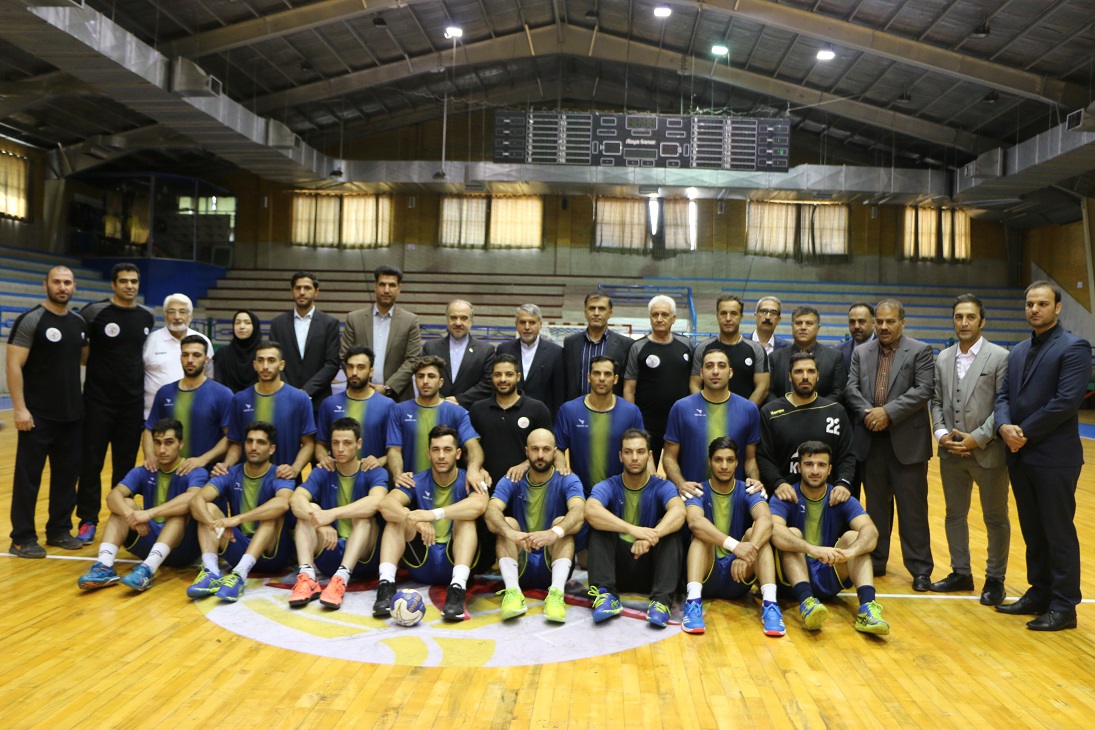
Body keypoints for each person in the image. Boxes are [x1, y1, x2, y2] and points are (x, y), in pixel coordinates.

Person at [994, 281, 1090, 631]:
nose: (1034, 309)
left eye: (1042, 304)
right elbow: (1003, 396)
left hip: (1054, 458)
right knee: (1033, 532)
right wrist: (1004, 426)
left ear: (1058, 307)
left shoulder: (1074, 347)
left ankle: (1064, 606)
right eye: (1030, 304)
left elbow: (1065, 402)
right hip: (1021, 456)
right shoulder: (1018, 350)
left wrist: (1021, 432)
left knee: (1058, 533)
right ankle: (1039, 592)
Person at [846, 299, 934, 590]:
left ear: (902, 323)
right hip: (871, 440)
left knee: (913, 510)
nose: (884, 326)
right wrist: (870, 414)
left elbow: (924, 389)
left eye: (890, 321)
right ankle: (877, 560)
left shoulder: (920, 350)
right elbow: (851, 388)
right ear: (874, 323)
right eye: (880, 321)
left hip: (907, 442)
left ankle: (920, 569)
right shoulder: (861, 352)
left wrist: (888, 413)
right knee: (876, 508)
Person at [928, 294, 1010, 605]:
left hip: (989, 452)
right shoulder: (943, 358)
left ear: (982, 321)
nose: (964, 322)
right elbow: (936, 401)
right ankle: (960, 572)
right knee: (954, 514)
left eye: (971, 317)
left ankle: (995, 579)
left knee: (995, 517)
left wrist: (976, 438)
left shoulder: (1000, 357)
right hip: (951, 452)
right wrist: (941, 435)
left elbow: (1003, 405)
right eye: (959, 317)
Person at [7, 265, 88, 558]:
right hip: (37, 416)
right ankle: (22, 538)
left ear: (74, 286)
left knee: (66, 478)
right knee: (28, 480)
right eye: (57, 282)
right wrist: (20, 409)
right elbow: (13, 364)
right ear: (46, 285)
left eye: (67, 282)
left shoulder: (79, 322)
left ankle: (59, 531)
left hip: (72, 416)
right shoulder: (31, 320)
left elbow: (82, 359)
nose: (62, 287)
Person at [769, 441, 889, 635]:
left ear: (830, 469)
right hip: (792, 579)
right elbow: (774, 531)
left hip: (829, 571)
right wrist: (813, 549)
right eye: (809, 464)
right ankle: (807, 602)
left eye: (821, 465)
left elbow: (871, 532)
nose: (815, 470)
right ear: (799, 467)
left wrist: (850, 553)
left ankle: (868, 609)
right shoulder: (786, 495)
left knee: (855, 537)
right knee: (792, 534)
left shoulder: (839, 497)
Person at [75, 263, 155, 544]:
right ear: (113, 284)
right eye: (123, 281)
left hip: (131, 405)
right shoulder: (94, 313)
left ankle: (120, 519)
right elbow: (82, 354)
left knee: (125, 468)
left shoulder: (147, 316)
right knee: (91, 463)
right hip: (97, 403)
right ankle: (87, 520)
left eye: (134, 281)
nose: (129, 286)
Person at [374, 425, 489, 622]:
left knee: (466, 520)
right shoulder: (416, 480)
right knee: (396, 519)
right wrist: (414, 520)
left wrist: (432, 515)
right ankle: (386, 585)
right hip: (422, 560)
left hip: (454, 560)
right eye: (436, 450)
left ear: (458, 454)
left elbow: (479, 505)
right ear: (428, 454)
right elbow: (385, 505)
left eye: (447, 450)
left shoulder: (470, 479)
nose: (441, 456)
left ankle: (457, 589)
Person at [77, 418, 205, 592]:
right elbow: (112, 496)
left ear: (181, 444)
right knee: (125, 503)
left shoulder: (195, 471)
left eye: (169, 443)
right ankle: (104, 566)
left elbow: (192, 499)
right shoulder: (144, 471)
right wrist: (130, 515)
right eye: (157, 443)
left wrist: (149, 514)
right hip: (149, 539)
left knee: (178, 514)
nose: (162, 449)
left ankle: (147, 570)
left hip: (183, 550)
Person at [682, 437, 784, 637]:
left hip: (739, 574)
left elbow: (766, 520)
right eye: (718, 460)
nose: (724, 466)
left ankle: (771, 605)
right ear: (710, 462)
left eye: (729, 460)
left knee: (757, 535)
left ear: (737, 463)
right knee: (701, 536)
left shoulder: (749, 489)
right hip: (707, 574)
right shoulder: (697, 491)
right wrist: (735, 546)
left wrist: (748, 552)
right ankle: (693, 603)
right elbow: (695, 522)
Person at [584, 429, 685, 628]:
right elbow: (591, 510)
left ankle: (661, 603)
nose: (635, 458)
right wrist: (633, 530)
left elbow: (679, 512)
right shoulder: (609, 485)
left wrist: (651, 536)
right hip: (617, 570)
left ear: (649, 456)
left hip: (651, 571)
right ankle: (606, 596)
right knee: (599, 529)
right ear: (620, 456)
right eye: (628, 452)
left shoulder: (662, 486)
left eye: (640, 452)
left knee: (671, 535)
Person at [187, 421, 296, 602]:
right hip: (238, 547)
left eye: (260, 442)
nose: (253, 447)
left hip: (272, 555)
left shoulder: (281, 474)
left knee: (272, 513)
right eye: (249, 441)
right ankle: (211, 571)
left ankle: (239, 575)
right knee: (208, 508)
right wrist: (212, 523)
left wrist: (237, 519)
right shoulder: (230, 473)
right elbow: (197, 500)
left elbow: (282, 503)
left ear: (272, 449)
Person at [484, 429, 585, 623]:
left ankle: (556, 595)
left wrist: (554, 533)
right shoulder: (513, 478)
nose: (540, 455)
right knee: (507, 524)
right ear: (526, 451)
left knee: (562, 524)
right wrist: (510, 533)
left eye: (546, 449)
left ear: (554, 452)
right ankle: (513, 593)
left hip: (552, 562)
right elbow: (491, 511)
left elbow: (579, 512)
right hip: (520, 562)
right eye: (535, 449)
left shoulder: (567, 478)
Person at [288, 418, 389, 610]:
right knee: (309, 511)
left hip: (363, 559)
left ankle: (340, 579)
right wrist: (320, 523)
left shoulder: (374, 471)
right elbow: (296, 499)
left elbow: (376, 502)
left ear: (359, 444)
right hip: (329, 549)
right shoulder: (324, 471)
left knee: (363, 517)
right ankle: (307, 577)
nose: (340, 449)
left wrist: (332, 514)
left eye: (347, 443)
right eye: (335, 443)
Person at [663, 348, 762, 498]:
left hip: (735, 500)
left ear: (730, 372)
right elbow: (669, 457)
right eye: (709, 366)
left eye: (721, 366)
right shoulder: (681, 408)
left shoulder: (749, 409)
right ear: (701, 373)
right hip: (693, 497)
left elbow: (750, 459)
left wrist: (755, 481)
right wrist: (681, 484)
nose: (715, 371)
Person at [759, 351, 855, 499]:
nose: (805, 376)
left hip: (828, 498)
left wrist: (843, 483)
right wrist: (778, 483)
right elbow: (764, 457)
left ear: (818, 376)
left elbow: (847, 455)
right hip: (784, 497)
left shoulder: (836, 411)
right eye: (799, 371)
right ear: (790, 376)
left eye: (810, 371)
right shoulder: (770, 412)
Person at [217, 340, 316, 483]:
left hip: (285, 481)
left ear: (281, 365)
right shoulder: (240, 399)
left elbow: (308, 444)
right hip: (246, 483)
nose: (265, 366)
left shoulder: (300, 398)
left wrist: (294, 469)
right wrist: (226, 466)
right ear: (254, 365)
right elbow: (236, 443)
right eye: (260, 360)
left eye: (271, 360)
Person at [386, 356, 489, 492]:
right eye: (420, 376)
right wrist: (398, 475)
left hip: (449, 489)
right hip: (410, 486)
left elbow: (473, 446)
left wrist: (474, 470)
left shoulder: (458, 412)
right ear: (415, 381)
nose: (425, 381)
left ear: (440, 382)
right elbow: (394, 449)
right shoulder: (398, 410)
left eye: (431, 376)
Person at [554, 356, 645, 497]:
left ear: (615, 379)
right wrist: (561, 468)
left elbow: (642, 450)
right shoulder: (568, 410)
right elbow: (558, 448)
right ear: (589, 377)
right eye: (597, 373)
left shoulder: (631, 412)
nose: (601, 378)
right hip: (580, 494)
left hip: (620, 495)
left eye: (607, 374)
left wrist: (653, 478)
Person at [143, 335, 233, 474]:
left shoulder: (222, 394)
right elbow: (149, 430)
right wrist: (150, 456)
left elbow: (231, 436)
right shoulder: (165, 392)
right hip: (168, 474)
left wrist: (202, 460)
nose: (190, 360)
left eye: (196, 355)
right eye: (185, 355)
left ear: (206, 359)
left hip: (206, 475)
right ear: (180, 358)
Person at [622, 295, 694, 468]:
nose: (659, 319)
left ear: (673, 318)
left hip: (680, 422)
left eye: (664, 314)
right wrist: (634, 424)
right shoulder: (638, 347)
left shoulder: (687, 346)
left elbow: (694, 383)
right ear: (650, 317)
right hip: (647, 424)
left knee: (681, 471)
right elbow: (629, 389)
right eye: (655, 314)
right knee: (644, 473)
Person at [341, 265, 422, 401]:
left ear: (399, 288)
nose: (386, 290)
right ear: (375, 286)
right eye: (382, 284)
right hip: (358, 392)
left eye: (392, 285)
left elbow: (412, 360)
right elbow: (344, 355)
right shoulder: (354, 319)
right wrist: (363, 384)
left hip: (397, 396)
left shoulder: (410, 321)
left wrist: (388, 387)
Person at [468, 353, 552, 485]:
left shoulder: (537, 409)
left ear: (518, 377)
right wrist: (479, 469)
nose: (503, 379)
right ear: (491, 377)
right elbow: (468, 449)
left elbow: (548, 449)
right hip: (486, 486)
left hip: (525, 486)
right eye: (498, 374)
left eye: (509, 374)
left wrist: (525, 465)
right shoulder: (477, 409)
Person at [268, 271, 340, 415]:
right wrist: (290, 392)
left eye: (307, 288)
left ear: (316, 292)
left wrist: (307, 390)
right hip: (283, 399)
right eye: (298, 288)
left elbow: (332, 363)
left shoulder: (329, 323)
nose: (302, 292)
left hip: (318, 401)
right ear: (292, 291)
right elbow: (274, 360)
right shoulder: (277, 324)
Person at [315, 345, 395, 472]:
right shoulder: (329, 404)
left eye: (361, 367)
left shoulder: (388, 405)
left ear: (371, 371)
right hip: (336, 477)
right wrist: (324, 458)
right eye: (350, 367)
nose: (354, 372)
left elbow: (394, 449)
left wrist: (379, 461)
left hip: (373, 477)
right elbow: (320, 444)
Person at [689, 295, 770, 405]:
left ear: (741, 316)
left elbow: (763, 387)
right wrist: (706, 410)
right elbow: (694, 384)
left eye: (733, 313)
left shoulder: (756, 350)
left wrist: (745, 411)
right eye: (723, 313)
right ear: (717, 316)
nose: (728, 318)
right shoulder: (702, 348)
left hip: (744, 414)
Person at [142, 293, 212, 418]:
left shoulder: (203, 342)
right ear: (164, 315)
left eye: (182, 312)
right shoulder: (150, 341)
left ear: (190, 316)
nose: (177, 317)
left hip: (194, 416)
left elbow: (210, 378)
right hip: (155, 416)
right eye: (172, 312)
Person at [421, 299, 496, 408]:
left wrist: (459, 399)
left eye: (464, 318)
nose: (458, 323)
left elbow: (487, 383)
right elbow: (425, 378)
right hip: (435, 409)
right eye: (453, 317)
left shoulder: (486, 350)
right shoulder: (430, 347)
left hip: (471, 411)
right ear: (447, 319)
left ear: (471, 321)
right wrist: (441, 401)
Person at [767, 305, 847, 404]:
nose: (803, 327)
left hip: (822, 412)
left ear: (818, 328)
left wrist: (817, 410)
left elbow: (838, 391)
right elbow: (770, 392)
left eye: (809, 323)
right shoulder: (775, 357)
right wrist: (784, 410)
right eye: (798, 323)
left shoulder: (834, 357)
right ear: (792, 326)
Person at [496, 304, 565, 417]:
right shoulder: (504, 349)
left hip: (542, 417)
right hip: (509, 415)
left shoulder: (556, 352)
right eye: (522, 322)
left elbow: (559, 392)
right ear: (516, 324)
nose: (527, 327)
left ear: (540, 324)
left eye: (532, 322)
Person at [562, 293, 633, 401]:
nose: (596, 313)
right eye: (592, 308)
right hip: (577, 408)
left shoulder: (625, 344)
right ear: (585, 312)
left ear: (610, 313)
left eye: (601, 309)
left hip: (611, 408)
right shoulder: (570, 343)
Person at [213, 309, 262, 393]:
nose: (242, 326)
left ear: (255, 326)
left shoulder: (262, 354)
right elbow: (218, 384)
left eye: (247, 323)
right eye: (238, 323)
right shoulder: (223, 354)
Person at [837, 302, 875, 372]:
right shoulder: (839, 352)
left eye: (861, 321)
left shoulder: (886, 349)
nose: (856, 326)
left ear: (873, 323)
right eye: (852, 322)